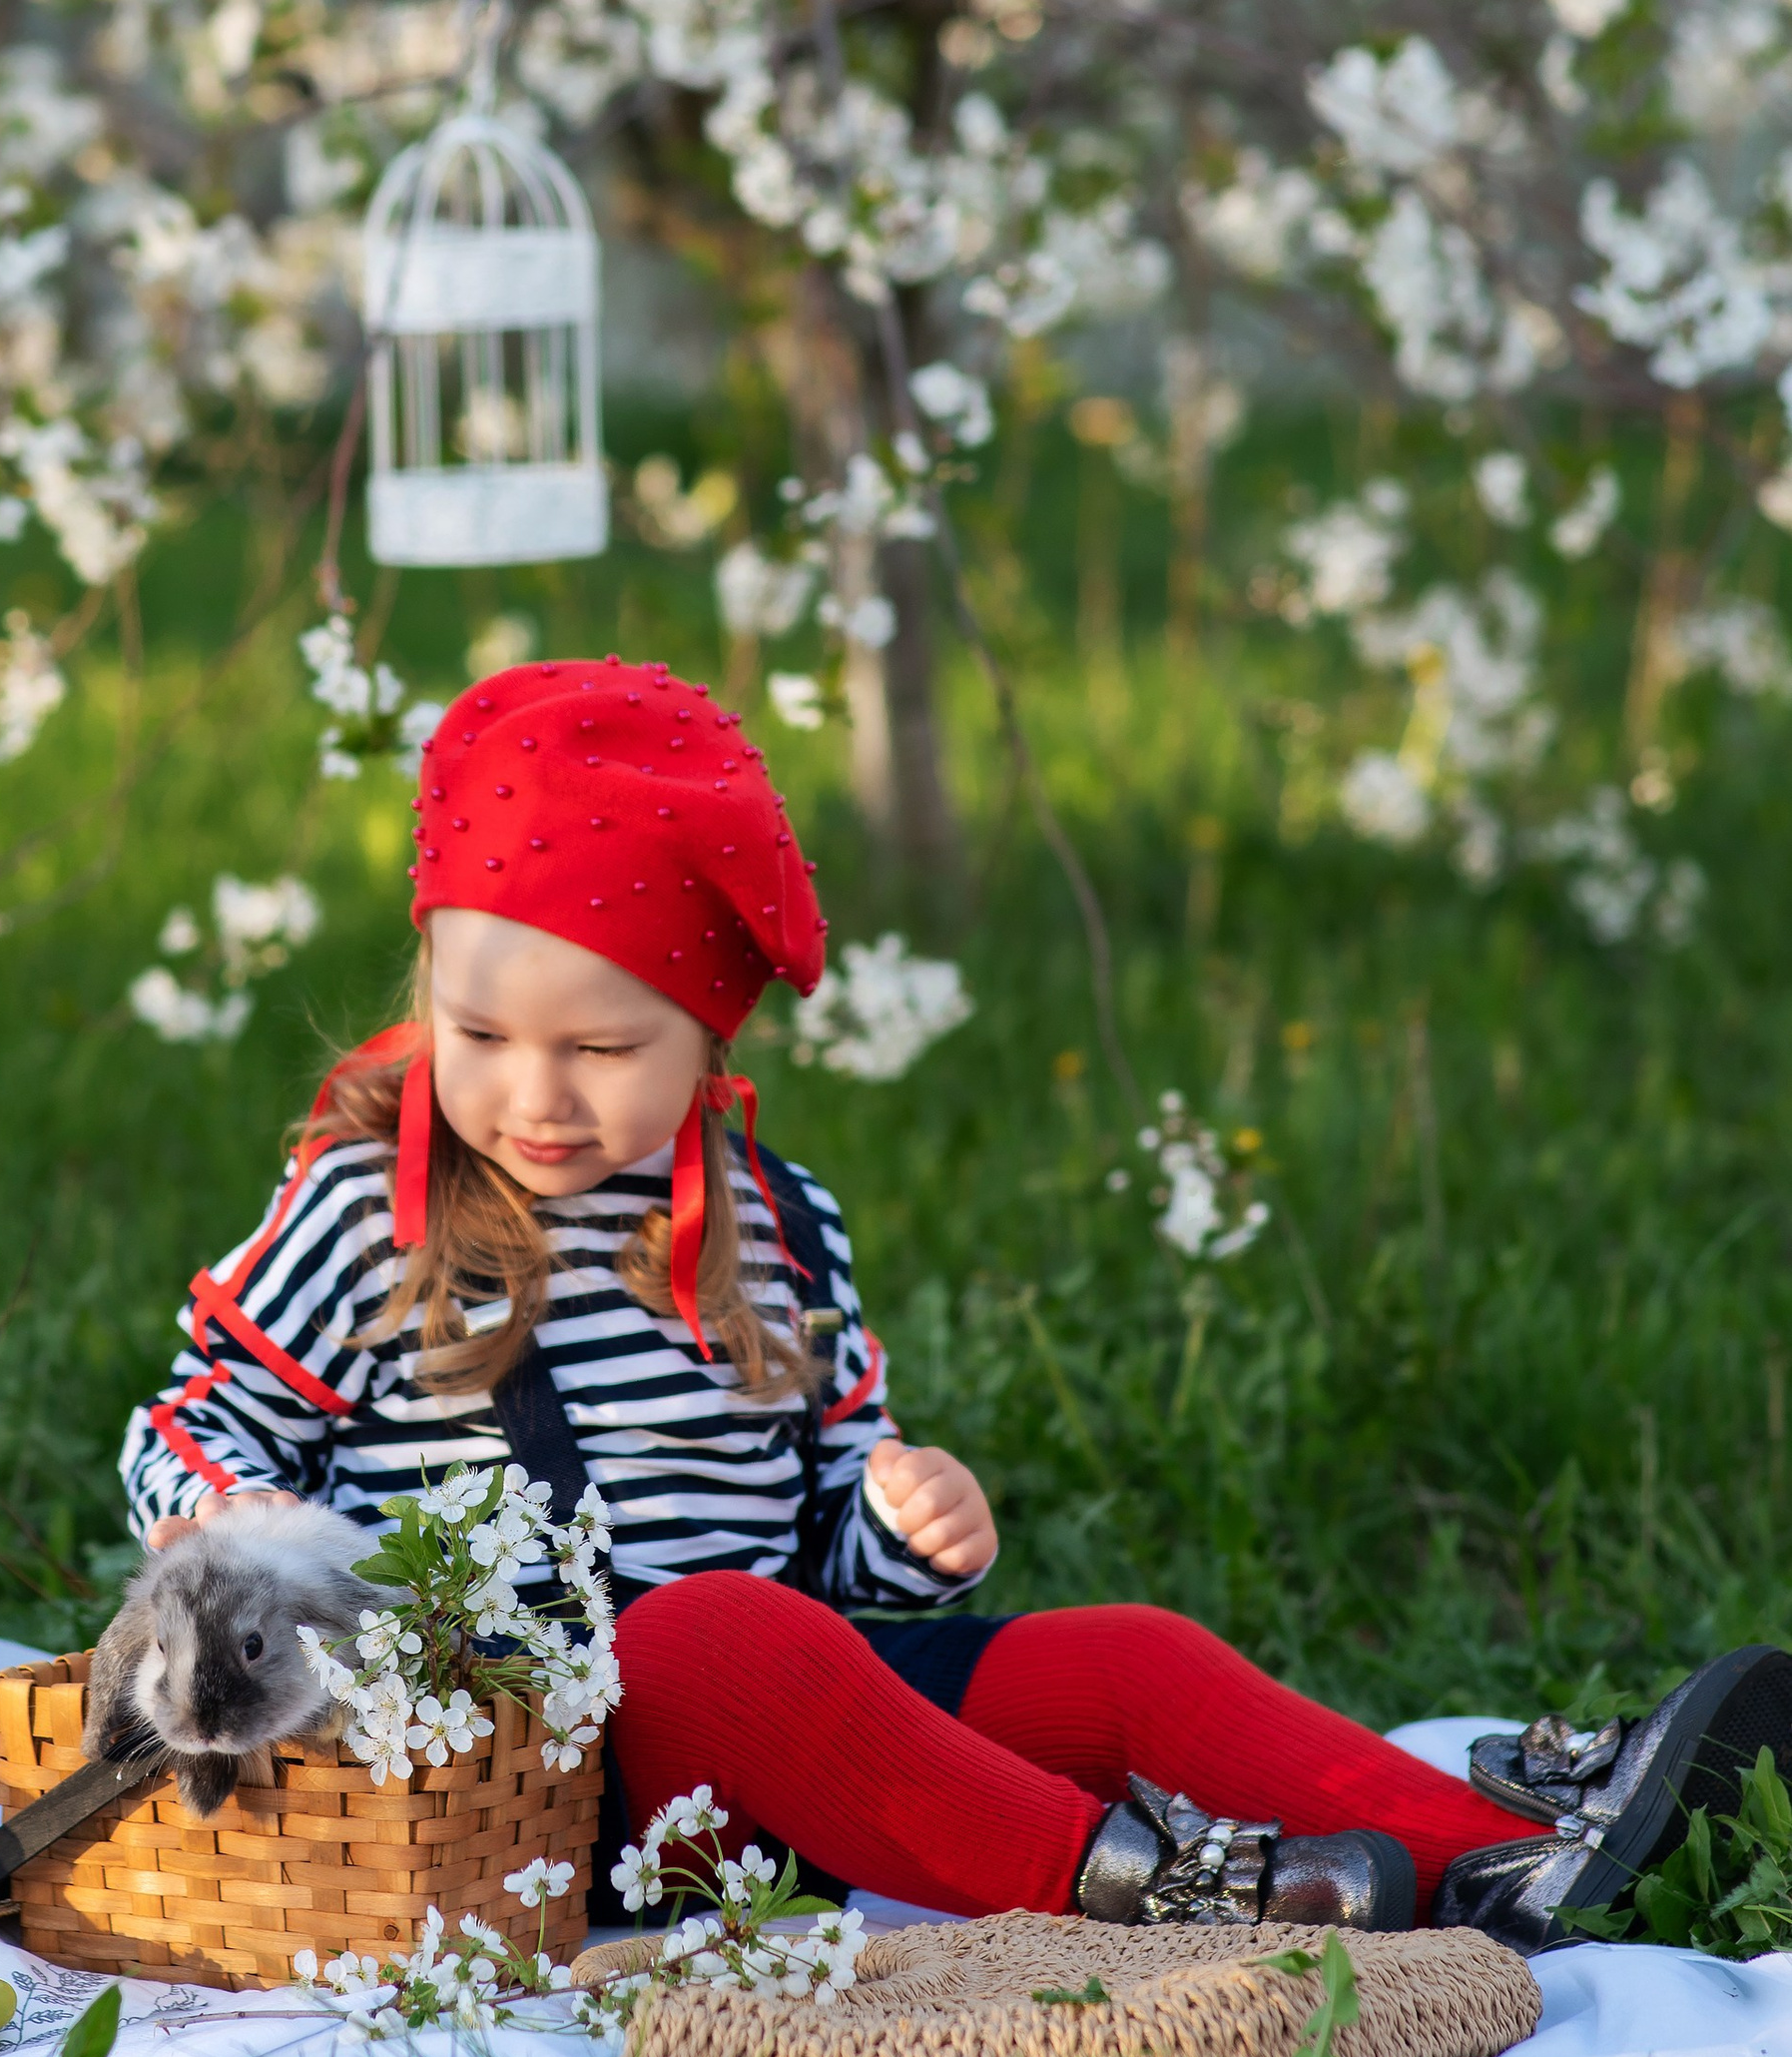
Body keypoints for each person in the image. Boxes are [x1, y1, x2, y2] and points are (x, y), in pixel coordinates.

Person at [121, 656, 1792, 1946]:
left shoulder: (776, 1225)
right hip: (540, 1776)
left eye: (603, 1048)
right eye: (482, 1037)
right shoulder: (370, 1214)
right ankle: (1145, 1896)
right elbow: (187, 1427)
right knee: (703, 1634)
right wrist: (239, 1520)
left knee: (1119, 1658)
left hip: (810, 1735)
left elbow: (831, 1542)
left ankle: (1517, 1855)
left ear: (711, 1038)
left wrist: (907, 1527)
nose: (535, 1094)